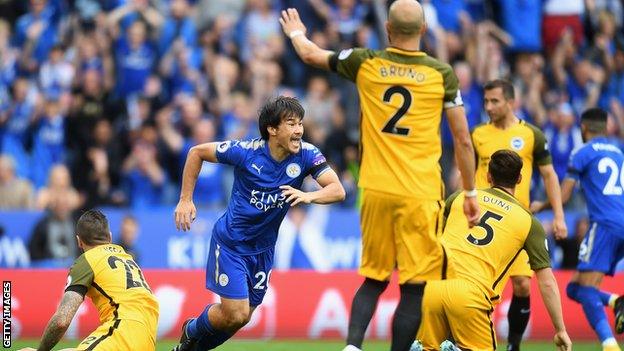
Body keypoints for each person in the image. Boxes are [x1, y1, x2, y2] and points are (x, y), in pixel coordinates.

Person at [279, 2, 480, 350]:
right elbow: (462, 139)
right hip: (420, 193)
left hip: (375, 189)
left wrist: (297, 32)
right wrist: (472, 193)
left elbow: (311, 55)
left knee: (374, 278)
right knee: (415, 286)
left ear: (387, 29)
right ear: (422, 31)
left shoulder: (365, 62)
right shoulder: (441, 74)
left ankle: (353, 346)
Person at [171, 96, 345, 351]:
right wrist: (186, 200)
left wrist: (308, 195)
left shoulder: (307, 155)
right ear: (272, 130)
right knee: (237, 312)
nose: (299, 130)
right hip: (232, 244)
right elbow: (196, 152)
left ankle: (190, 348)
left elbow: (337, 190)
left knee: (242, 318)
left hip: (263, 249)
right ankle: (192, 329)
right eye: (291, 124)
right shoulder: (245, 152)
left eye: (300, 124)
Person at [415, 150, 572, 351]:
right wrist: (560, 330)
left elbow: (431, 240)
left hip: (433, 289)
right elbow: (547, 282)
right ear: (520, 179)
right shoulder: (528, 222)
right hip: (471, 296)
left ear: (488, 176)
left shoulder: (458, 198)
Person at [471, 79, 568, 350]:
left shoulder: (531, 135)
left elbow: (549, 175)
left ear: (510, 102)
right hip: (481, 221)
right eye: (486, 101)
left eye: (495, 101)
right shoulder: (478, 134)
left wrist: (558, 215)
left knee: (524, 285)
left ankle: (513, 345)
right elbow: (463, 171)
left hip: (516, 222)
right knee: (478, 286)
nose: (488, 106)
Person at [18, 210, 159, 351]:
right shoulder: (127, 257)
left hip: (121, 333)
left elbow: (62, 320)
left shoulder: (87, 260)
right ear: (109, 237)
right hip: (148, 339)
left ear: (79, 241)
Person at [561, 108, 624, 351]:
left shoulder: (582, 152)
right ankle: (616, 301)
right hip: (620, 221)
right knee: (574, 289)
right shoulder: (618, 152)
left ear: (584, 128)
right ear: (606, 128)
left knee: (586, 289)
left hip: (604, 224)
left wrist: (542, 205)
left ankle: (610, 346)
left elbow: (565, 195)